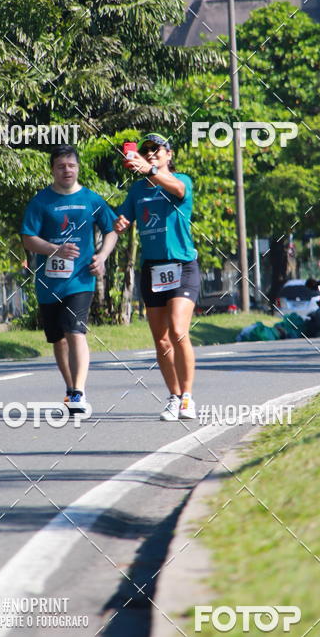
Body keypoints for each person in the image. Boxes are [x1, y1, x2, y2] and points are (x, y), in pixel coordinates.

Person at [20, 145, 118, 413]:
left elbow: (112, 230)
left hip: (81, 278)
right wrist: (55, 249)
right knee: (58, 338)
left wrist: (102, 255)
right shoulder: (41, 201)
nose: (67, 170)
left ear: (78, 168)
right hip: (49, 281)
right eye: (61, 166)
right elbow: (28, 238)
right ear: (52, 169)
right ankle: (70, 387)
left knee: (75, 330)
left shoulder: (91, 199)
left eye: (71, 165)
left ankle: (78, 391)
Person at [114, 133, 200, 421]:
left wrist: (151, 170)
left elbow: (177, 189)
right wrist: (121, 222)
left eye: (156, 149)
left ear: (168, 155)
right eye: (145, 149)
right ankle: (174, 397)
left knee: (178, 331)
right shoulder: (138, 191)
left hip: (182, 264)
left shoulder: (183, 180)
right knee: (161, 340)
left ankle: (187, 397)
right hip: (152, 269)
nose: (150, 153)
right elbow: (122, 219)